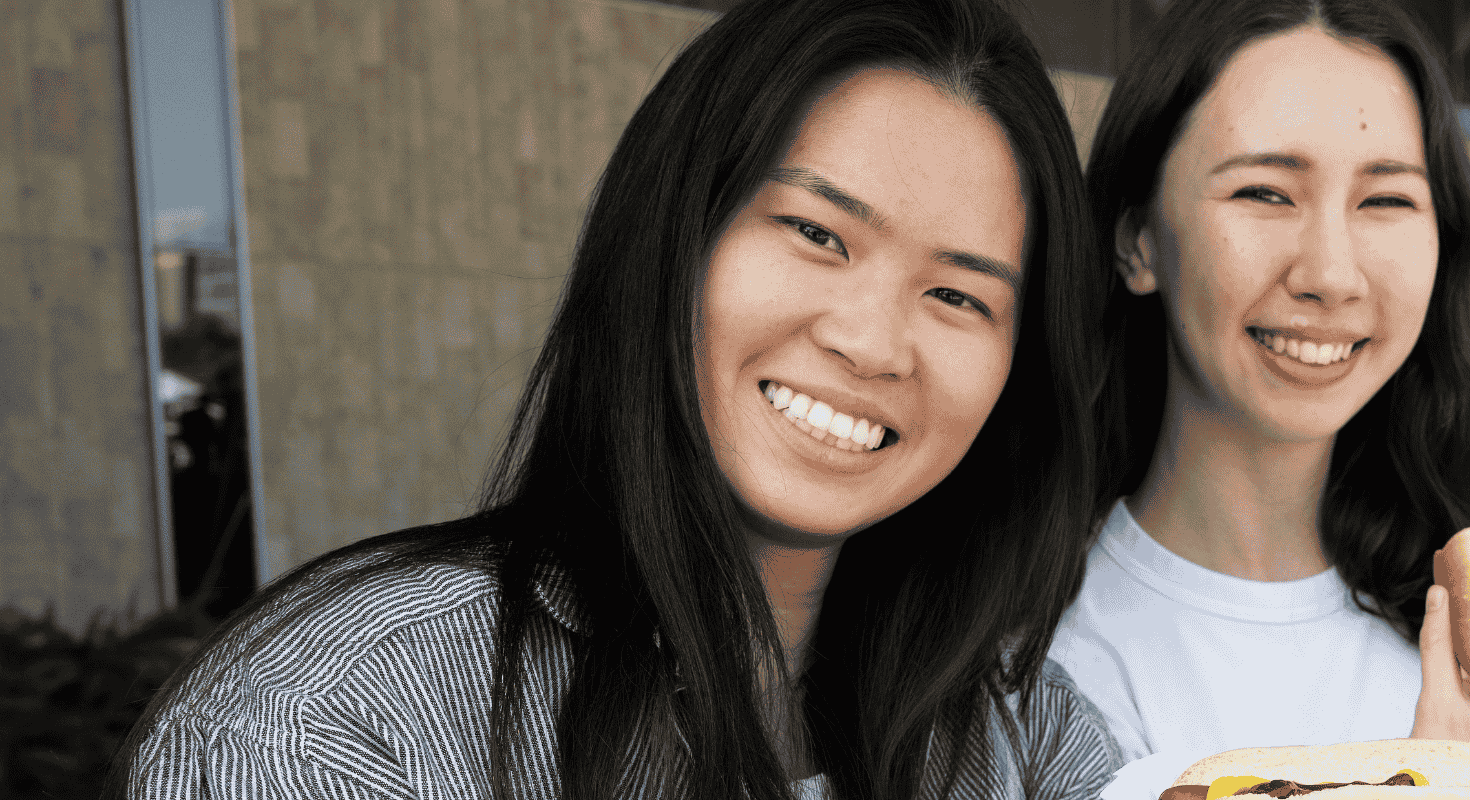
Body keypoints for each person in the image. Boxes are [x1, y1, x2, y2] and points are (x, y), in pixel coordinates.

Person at [112, 1, 1119, 797]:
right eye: (818, 233)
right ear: (673, 235)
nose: (871, 340)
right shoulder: (340, 715)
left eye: (958, 294)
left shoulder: (1012, 724)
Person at [1049, 0, 1470, 790]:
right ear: (1136, 239)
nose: (1330, 275)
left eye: (1386, 201)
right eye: (1264, 193)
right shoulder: (1021, 662)